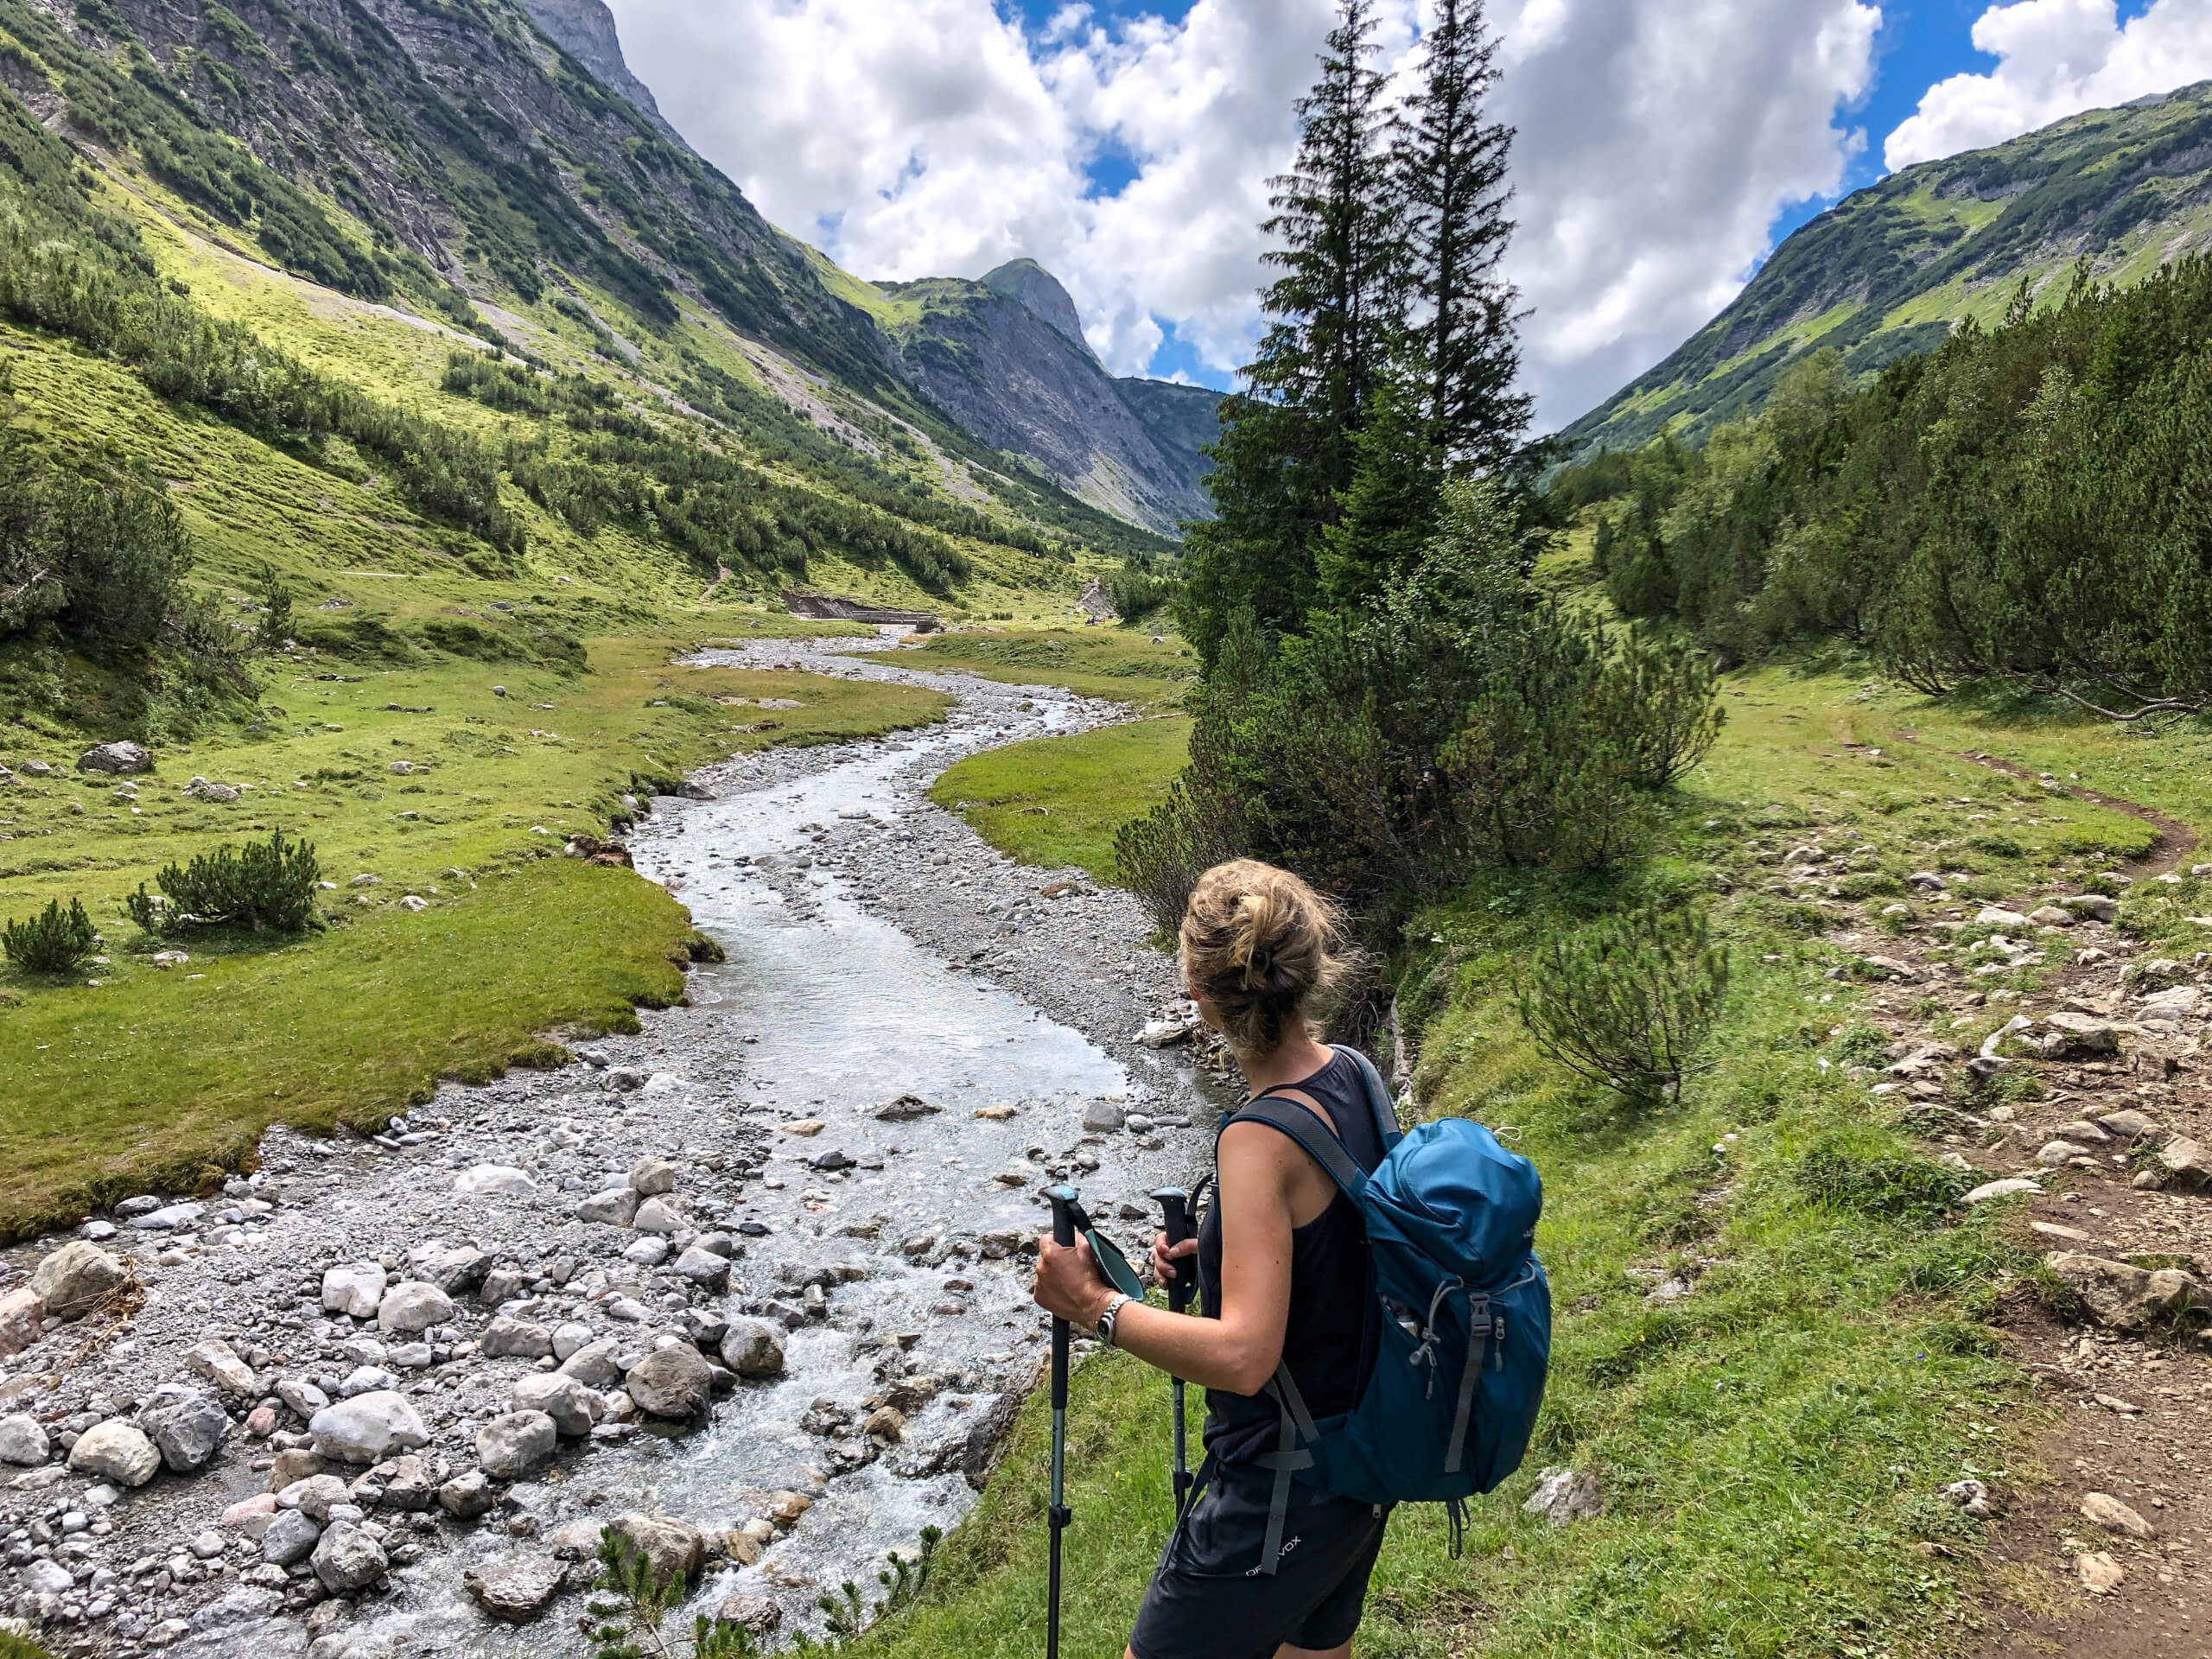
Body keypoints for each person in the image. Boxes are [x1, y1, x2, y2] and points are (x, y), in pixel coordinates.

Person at [1033, 858, 1391, 1659]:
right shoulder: (1356, 1077)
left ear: (1198, 996)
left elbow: (1243, 1357)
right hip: (1359, 1466)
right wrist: (1225, 1252)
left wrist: (1094, 1306)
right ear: (1308, 965)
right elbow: (1339, 1242)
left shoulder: (1257, 1138)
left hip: (1274, 1491)